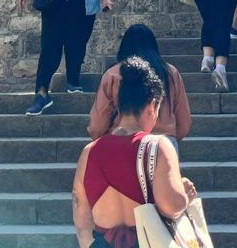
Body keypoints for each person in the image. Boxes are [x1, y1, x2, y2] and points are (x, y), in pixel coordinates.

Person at [71, 57, 197, 248]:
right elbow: (171, 206)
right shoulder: (158, 146)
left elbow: (82, 222)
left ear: (119, 104)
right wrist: (185, 196)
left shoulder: (89, 152)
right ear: (152, 106)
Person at [87, 25, 191, 150]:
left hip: (122, 141)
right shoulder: (171, 72)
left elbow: (99, 121)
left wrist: (102, 139)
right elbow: (184, 121)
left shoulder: (113, 74)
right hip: (163, 142)